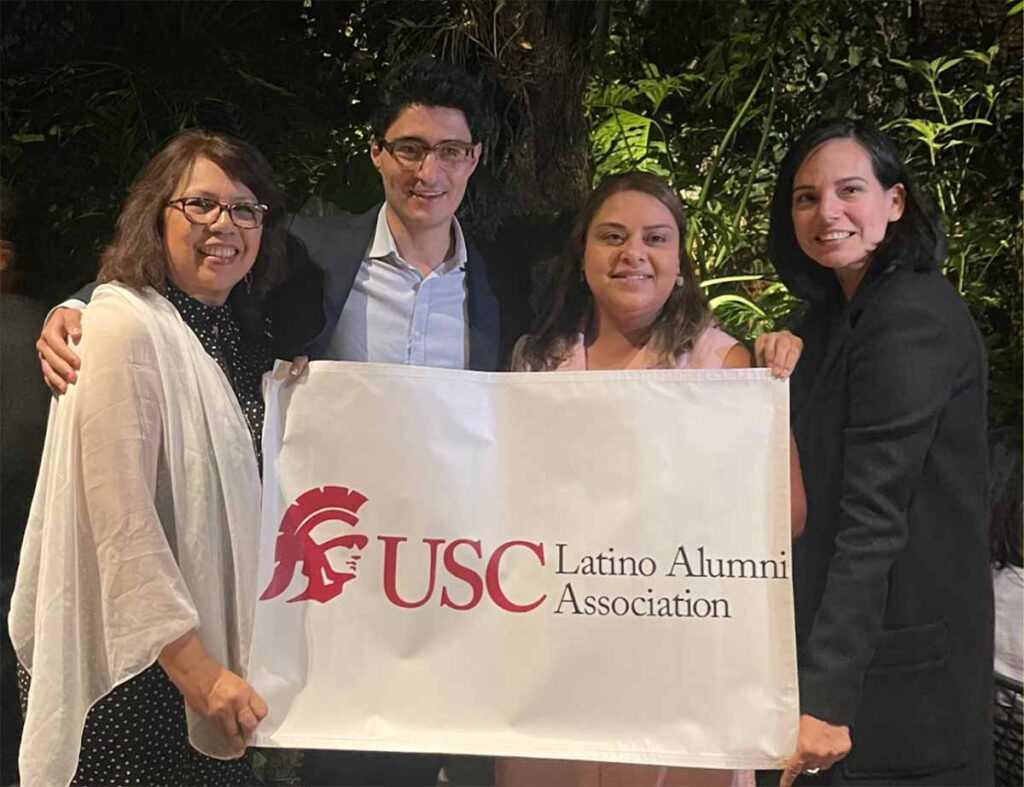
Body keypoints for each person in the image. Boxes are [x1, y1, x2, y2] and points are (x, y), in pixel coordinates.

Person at [32, 56, 499, 787]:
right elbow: (173, 276)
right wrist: (83, 301)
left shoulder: (511, 275)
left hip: (457, 577)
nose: (427, 169)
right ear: (377, 151)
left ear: (474, 159)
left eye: (449, 150)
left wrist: (742, 355)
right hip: (330, 591)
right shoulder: (312, 252)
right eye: (409, 147)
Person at [503, 171, 806, 787]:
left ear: (679, 261)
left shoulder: (722, 363)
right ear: (582, 253)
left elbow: (787, 515)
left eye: (656, 238)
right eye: (611, 236)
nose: (632, 253)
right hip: (554, 655)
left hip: (681, 657)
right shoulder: (537, 361)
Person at [10, 130, 288, 787]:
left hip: (210, 670)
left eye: (244, 208)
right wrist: (197, 673)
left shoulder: (236, 340)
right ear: (155, 215)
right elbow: (120, 522)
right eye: (200, 205)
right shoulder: (122, 325)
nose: (224, 224)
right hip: (139, 675)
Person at [766, 118, 993, 786]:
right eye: (806, 197)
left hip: (897, 685)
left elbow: (873, 516)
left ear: (894, 203)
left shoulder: (911, 315)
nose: (826, 211)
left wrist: (826, 696)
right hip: (860, 665)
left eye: (848, 190)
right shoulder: (832, 319)